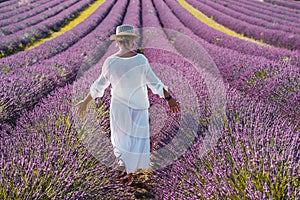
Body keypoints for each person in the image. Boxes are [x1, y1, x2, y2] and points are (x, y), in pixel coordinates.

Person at [76, 25, 180, 185]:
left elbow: (98, 86)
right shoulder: (140, 60)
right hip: (139, 107)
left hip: (119, 108)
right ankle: (130, 171)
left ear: (117, 42)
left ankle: (123, 166)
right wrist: (169, 98)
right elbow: (155, 83)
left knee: (120, 141)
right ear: (132, 42)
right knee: (136, 141)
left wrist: (85, 101)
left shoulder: (110, 62)